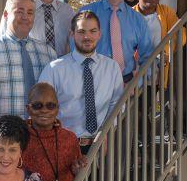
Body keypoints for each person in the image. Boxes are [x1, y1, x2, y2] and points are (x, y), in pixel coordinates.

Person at [37, 11, 124, 154]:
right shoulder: (55, 69)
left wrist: (105, 132)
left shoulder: (112, 68)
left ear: (99, 34)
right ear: (72, 34)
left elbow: (117, 105)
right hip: (62, 146)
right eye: (81, 31)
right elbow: (42, 109)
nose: (87, 37)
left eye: (92, 31)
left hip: (100, 146)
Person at [0, 0, 56, 118]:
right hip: (3, 133)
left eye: (30, 12)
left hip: (40, 134)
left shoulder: (48, 54)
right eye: (19, 11)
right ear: (6, 15)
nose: (25, 17)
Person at [79, 0, 155, 84]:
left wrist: (136, 84)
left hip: (128, 88)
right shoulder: (85, 14)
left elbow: (148, 57)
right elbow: (76, 52)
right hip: (92, 85)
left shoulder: (137, 20)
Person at [23, 83, 86, 181]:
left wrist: (78, 170)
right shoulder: (19, 138)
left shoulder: (69, 138)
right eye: (37, 106)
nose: (44, 110)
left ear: (57, 109)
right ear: (28, 109)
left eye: (50, 106)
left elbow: (77, 177)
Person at [132, 0, 180, 90]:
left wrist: (166, 52)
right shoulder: (129, 16)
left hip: (159, 75)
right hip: (136, 75)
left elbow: (179, 34)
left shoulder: (167, 12)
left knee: (154, 106)